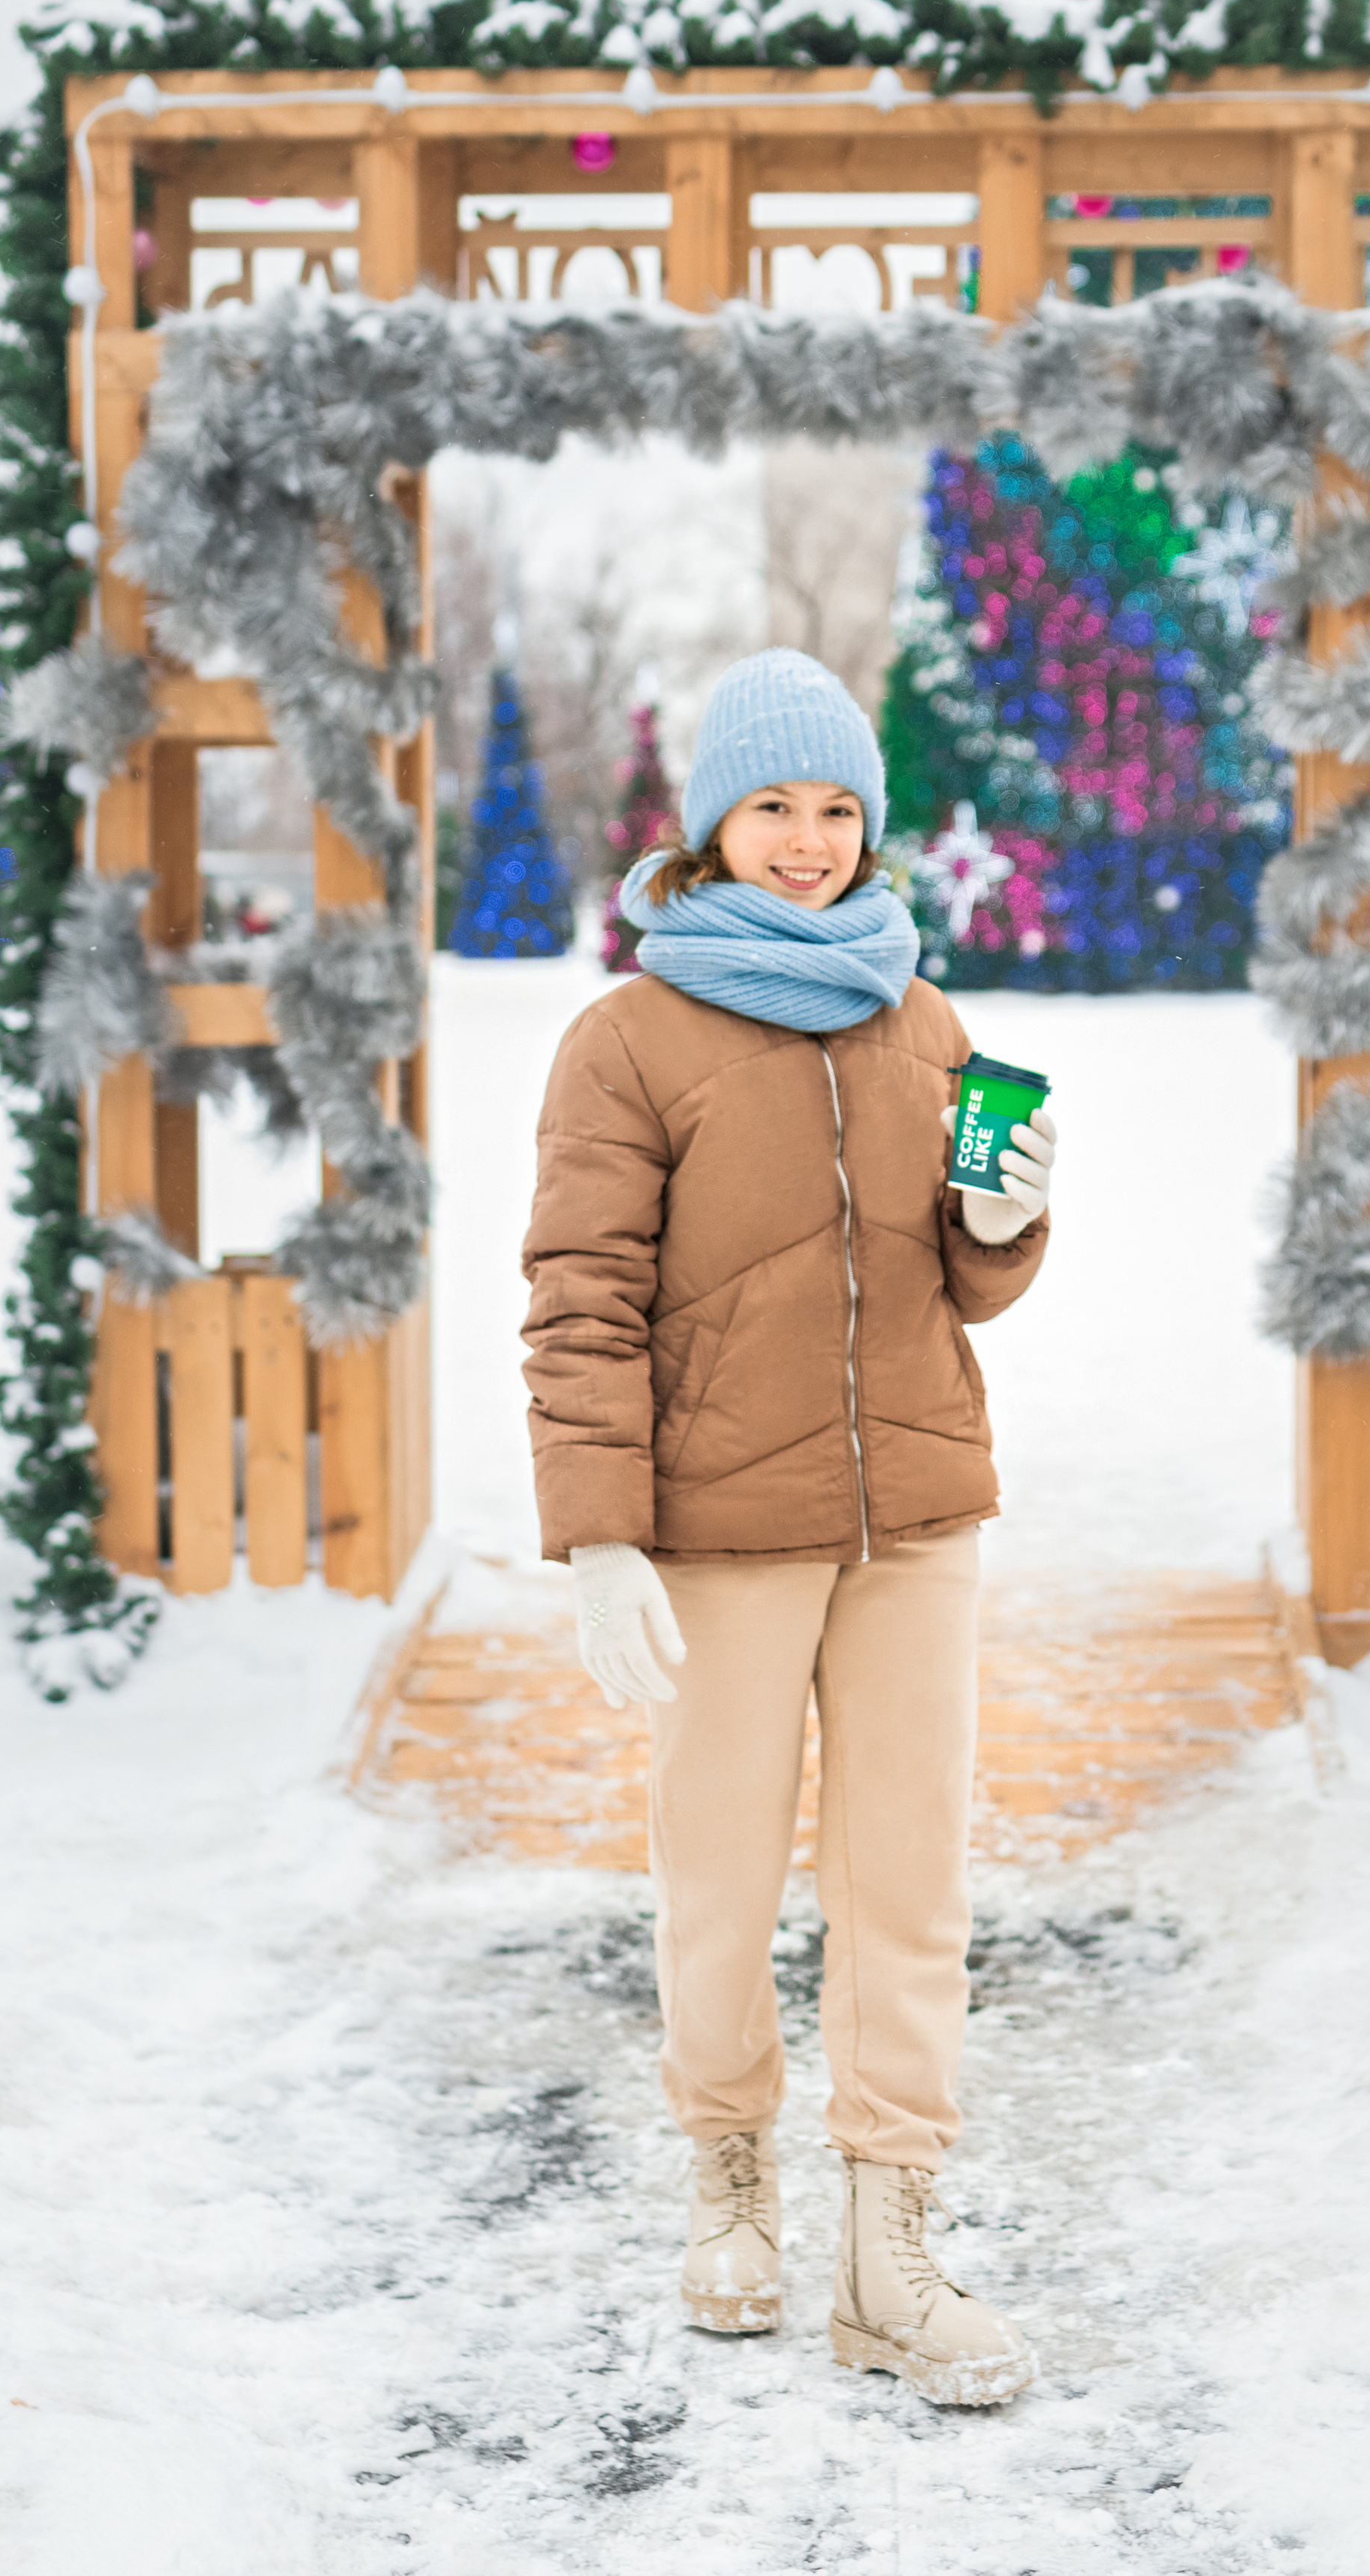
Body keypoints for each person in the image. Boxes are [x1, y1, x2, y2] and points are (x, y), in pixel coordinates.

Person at [522, 649, 1056, 2408]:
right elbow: (579, 1299)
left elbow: (957, 1288)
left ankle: (886, 2248)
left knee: (909, 1888)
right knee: (720, 1884)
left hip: (912, 1516)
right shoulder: (628, 1040)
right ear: (711, 826)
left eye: (838, 810)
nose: (810, 842)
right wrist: (602, 1536)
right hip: (718, 1534)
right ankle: (726, 2174)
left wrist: (1001, 1221)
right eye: (776, 807)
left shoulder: (924, 1024)